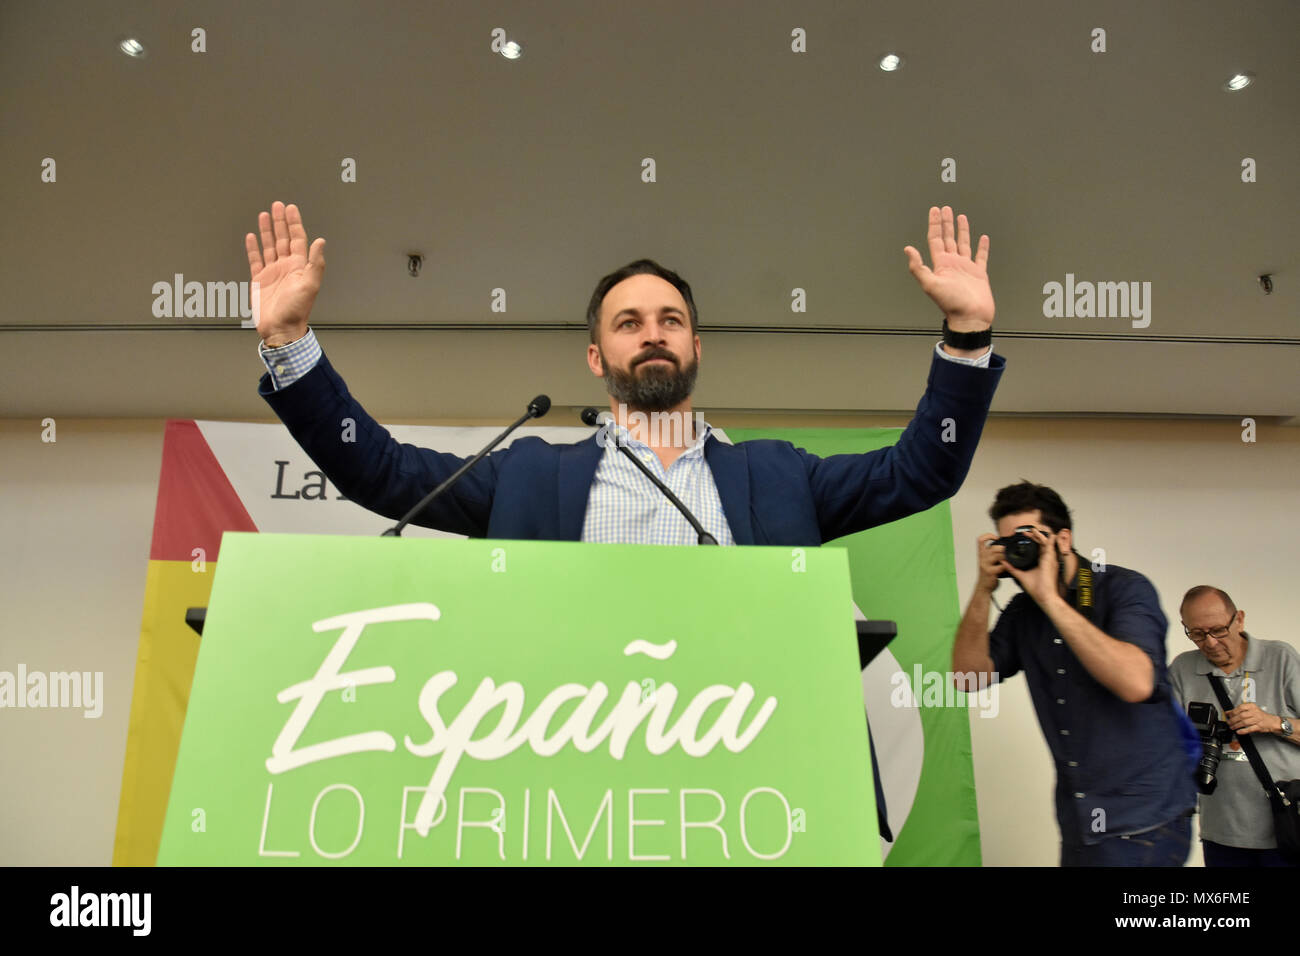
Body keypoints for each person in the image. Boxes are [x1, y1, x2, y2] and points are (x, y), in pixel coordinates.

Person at [244, 201, 1004, 544]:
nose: (653, 336)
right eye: (629, 323)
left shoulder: (780, 478)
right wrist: (290, 342)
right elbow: (379, 473)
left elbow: (923, 471)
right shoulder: (527, 478)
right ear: (596, 356)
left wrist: (968, 337)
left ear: (696, 347)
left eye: (671, 321)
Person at [951, 482, 1196, 865]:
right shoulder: (1022, 612)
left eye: (1029, 538)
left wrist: (1050, 599)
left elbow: (1136, 683)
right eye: (1008, 543)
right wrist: (983, 589)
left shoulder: (1123, 589)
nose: (1020, 551)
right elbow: (967, 678)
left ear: (1063, 539)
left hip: (1145, 821)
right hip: (1080, 819)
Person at [1169, 585, 1300, 867]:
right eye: (1198, 634)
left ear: (1238, 619)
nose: (1211, 643)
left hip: (1287, 830)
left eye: (1218, 630)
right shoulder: (1182, 669)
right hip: (1221, 834)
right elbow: (1164, 743)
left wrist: (1274, 723)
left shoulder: (1280, 658)